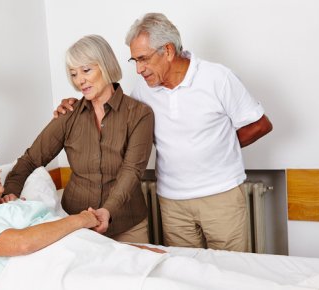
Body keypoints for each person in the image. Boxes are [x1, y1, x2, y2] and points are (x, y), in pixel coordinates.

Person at [54, 13, 273, 252]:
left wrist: (221, 147)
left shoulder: (217, 78)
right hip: (172, 202)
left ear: (167, 51)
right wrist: (74, 105)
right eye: (134, 61)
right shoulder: (143, 91)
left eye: (143, 59)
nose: (138, 69)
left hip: (221, 196)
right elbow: (111, 110)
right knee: (183, 274)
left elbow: (260, 124)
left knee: (232, 271)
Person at [0, 146, 165, 290]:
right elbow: (23, 244)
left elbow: (64, 238)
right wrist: (82, 219)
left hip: (92, 257)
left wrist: (132, 250)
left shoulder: (6, 208)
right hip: (57, 274)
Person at [3, 35, 155, 243]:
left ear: (105, 65)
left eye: (86, 70)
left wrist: (106, 211)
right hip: (76, 225)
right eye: (73, 74)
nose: (79, 80)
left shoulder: (139, 114)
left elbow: (131, 171)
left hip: (127, 224)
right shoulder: (68, 115)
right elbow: (31, 159)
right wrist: (10, 193)